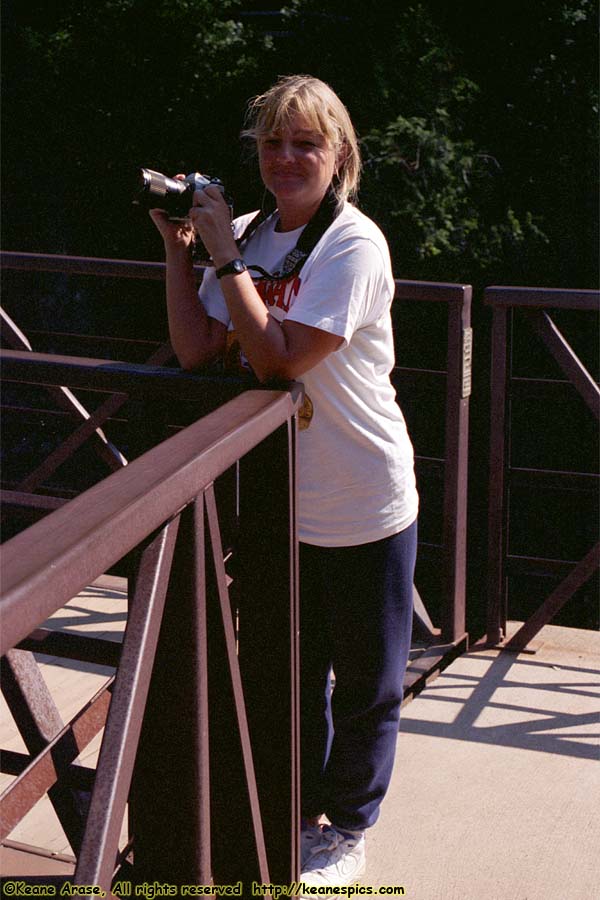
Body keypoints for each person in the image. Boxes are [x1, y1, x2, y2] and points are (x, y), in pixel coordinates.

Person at [150, 74, 419, 891]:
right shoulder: (249, 232)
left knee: (369, 678)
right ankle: (295, 812)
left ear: (339, 154)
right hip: (278, 500)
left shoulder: (353, 246)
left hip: (363, 494)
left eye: (306, 142)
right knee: (285, 670)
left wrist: (227, 258)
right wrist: (180, 249)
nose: (286, 157)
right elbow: (200, 348)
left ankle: (349, 830)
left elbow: (276, 361)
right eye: (272, 141)